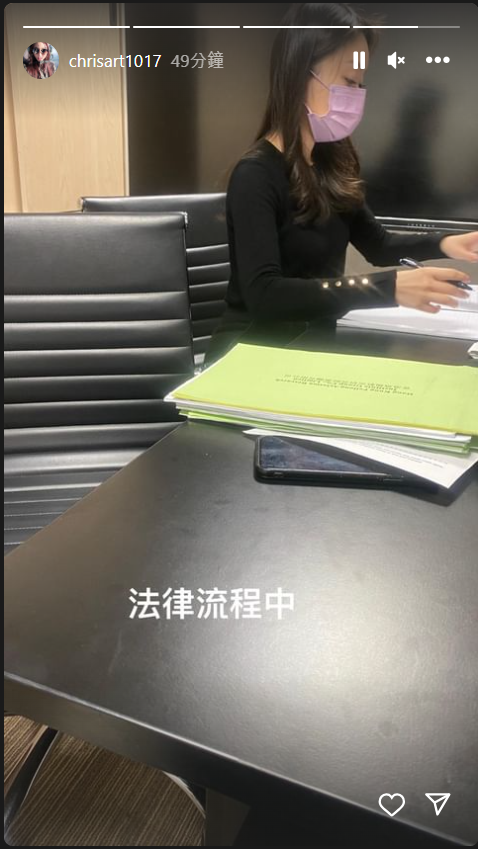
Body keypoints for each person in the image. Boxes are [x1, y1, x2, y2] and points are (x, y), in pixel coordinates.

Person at [204, 3, 478, 366]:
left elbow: (378, 245)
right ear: (299, 74)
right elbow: (264, 294)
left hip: (310, 348)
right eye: (348, 82)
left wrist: (446, 242)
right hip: (251, 355)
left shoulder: (329, 164)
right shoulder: (255, 174)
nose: (356, 95)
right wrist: (389, 288)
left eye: (360, 85)